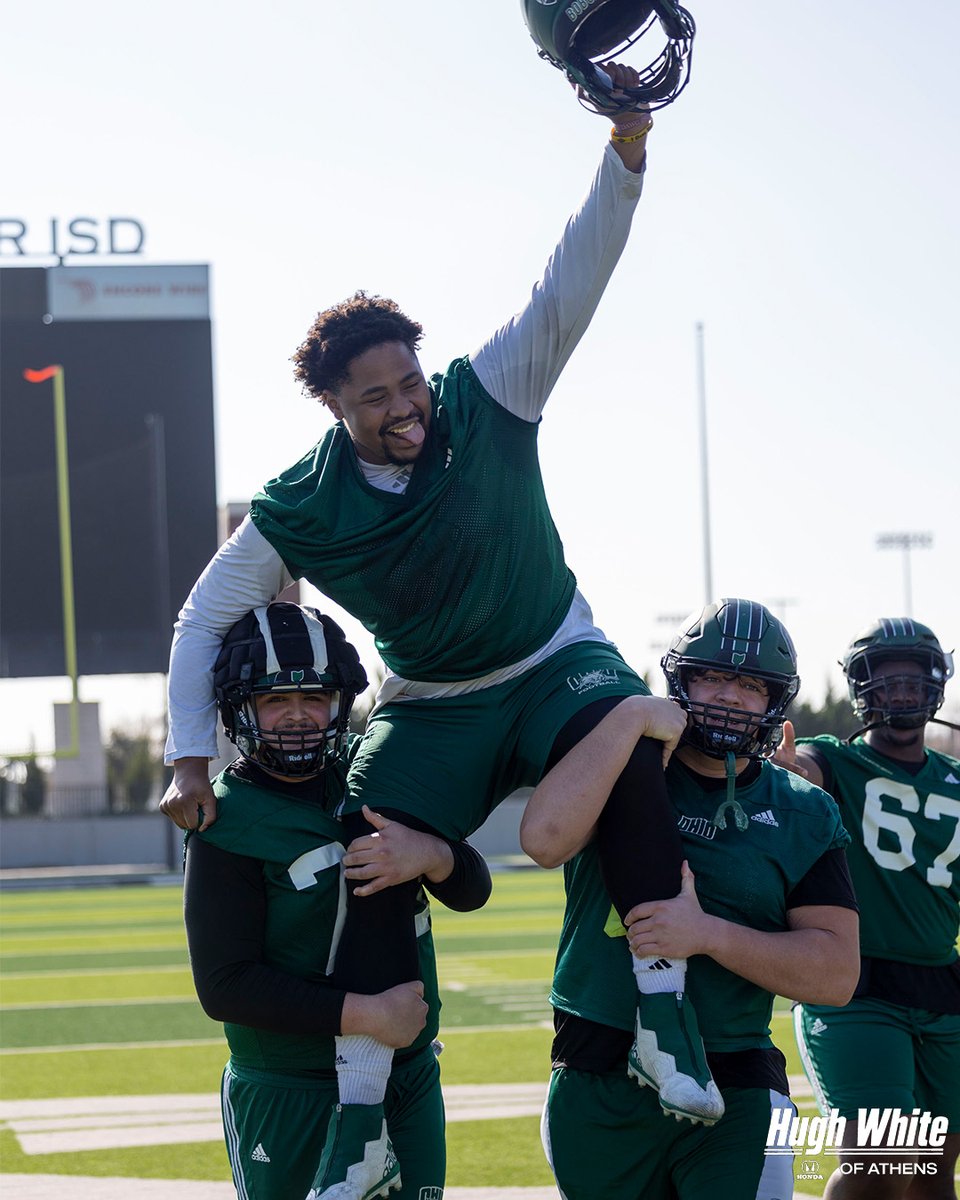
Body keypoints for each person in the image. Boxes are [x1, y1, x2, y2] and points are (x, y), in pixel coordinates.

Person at [161, 60, 718, 1194]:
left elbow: (574, 282)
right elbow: (205, 614)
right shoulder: (301, 506)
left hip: (555, 653)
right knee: (370, 841)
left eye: (407, 382)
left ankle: (667, 1022)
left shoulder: (487, 394)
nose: (404, 405)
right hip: (437, 697)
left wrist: (625, 151)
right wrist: (183, 752)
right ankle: (360, 1128)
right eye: (375, 397)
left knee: (628, 751)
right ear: (334, 407)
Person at [521, 598, 861, 1200]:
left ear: (774, 701)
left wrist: (708, 934)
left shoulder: (804, 809)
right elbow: (544, 842)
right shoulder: (623, 764)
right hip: (598, 1061)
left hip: (738, 1075)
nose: (730, 695)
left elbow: (835, 975)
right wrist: (626, 721)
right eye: (712, 675)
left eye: (751, 684)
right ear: (679, 680)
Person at [184, 601, 492, 1200]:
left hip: (407, 1076)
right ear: (240, 710)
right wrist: (364, 1015)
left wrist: (433, 854)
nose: (298, 717)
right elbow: (224, 985)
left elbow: (472, 887)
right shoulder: (227, 819)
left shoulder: (375, 770)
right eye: (276, 701)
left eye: (314, 698)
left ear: (340, 701)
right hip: (290, 1086)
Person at [778, 617, 960, 1200]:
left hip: (943, 987)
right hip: (856, 986)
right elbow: (802, 766)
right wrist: (786, 771)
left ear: (936, 686)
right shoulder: (836, 760)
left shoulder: (957, 778)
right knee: (881, 1163)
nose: (903, 690)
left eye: (915, 678)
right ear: (863, 687)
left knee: (934, 1172)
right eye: (888, 679)